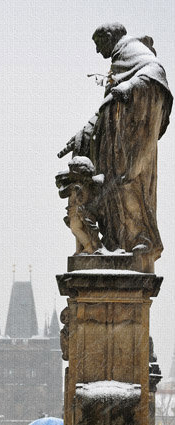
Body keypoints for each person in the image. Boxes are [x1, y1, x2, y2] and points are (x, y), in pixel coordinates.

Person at [58, 23, 172, 262]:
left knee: (128, 183)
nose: (99, 52)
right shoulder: (120, 59)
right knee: (111, 188)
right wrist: (85, 132)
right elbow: (107, 107)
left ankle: (140, 238)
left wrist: (131, 86)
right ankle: (115, 241)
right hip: (115, 142)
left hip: (130, 142)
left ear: (109, 37)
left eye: (99, 45)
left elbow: (155, 73)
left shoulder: (133, 49)